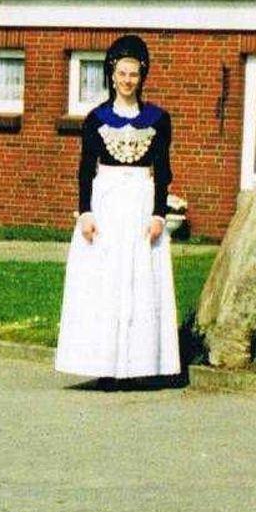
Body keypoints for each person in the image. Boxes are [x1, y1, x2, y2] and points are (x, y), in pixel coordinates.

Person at [55, 34, 179, 383]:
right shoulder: (96, 119)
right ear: (111, 74)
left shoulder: (158, 119)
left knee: (141, 281)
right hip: (106, 203)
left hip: (141, 203)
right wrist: (85, 212)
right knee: (104, 281)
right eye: (122, 73)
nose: (127, 80)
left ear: (142, 76)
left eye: (134, 74)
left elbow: (163, 171)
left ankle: (140, 366)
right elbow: (85, 169)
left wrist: (159, 214)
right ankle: (103, 366)